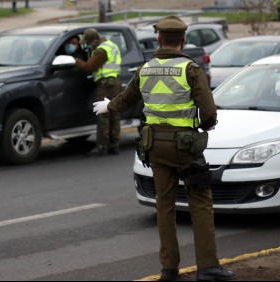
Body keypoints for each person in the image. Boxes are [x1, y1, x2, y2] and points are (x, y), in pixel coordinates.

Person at [92, 16, 235, 281]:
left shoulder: (145, 69)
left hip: (154, 145)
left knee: (165, 206)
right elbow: (209, 111)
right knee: (200, 202)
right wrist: (207, 124)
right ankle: (207, 267)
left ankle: (169, 269)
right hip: (186, 147)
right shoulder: (190, 69)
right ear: (183, 40)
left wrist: (108, 106)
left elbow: (125, 99)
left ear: (159, 39)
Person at [75, 28, 122, 157]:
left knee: (103, 115)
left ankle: (102, 146)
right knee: (114, 114)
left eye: (89, 42)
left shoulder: (101, 51)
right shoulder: (111, 45)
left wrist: (75, 61)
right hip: (115, 82)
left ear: (95, 40)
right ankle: (115, 145)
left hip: (105, 85)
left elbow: (89, 67)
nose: (89, 45)